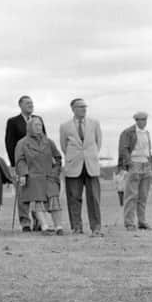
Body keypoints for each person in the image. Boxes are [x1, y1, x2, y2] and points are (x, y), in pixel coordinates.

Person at [59, 98, 103, 236]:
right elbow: (63, 146)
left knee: (94, 198)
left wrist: (90, 156)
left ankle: (96, 227)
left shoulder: (94, 123)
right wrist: (74, 156)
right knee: (74, 197)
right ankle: (76, 227)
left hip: (91, 165)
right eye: (80, 107)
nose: (84, 109)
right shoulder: (65, 126)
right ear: (73, 109)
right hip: (74, 166)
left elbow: (98, 142)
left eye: (85, 106)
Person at [5, 95, 46, 231]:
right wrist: (14, 164)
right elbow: (10, 144)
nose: (31, 105)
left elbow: (44, 140)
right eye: (27, 103)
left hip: (37, 164)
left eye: (32, 103)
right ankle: (25, 222)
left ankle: (38, 221)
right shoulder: (13, 122)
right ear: (20, 105)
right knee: (22, 194)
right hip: (20, 162)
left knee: (37, 193)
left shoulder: (38, 120)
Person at [15, 116, 62, 234]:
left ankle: (59, 227)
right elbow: (20, 160)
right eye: (35, 125)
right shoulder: (22, 143)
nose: (38, 127)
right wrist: (23, 174)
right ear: (29, 127)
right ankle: (45, 226)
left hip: (49, 177)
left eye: (40, 125)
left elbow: (58, 158)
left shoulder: (49, 142)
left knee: (54, 200)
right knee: (38, 201)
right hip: (33, 177)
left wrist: (55, 172)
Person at [118, 112, 152, 230]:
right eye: (140, 119)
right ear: (136, 120)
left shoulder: (147, 133)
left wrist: (149, 162)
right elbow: (124, 149)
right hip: (135, 163)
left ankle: (142, 221)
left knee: (143, 195)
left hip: (146, 164)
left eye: (145, 119)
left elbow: (148, 149)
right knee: (131, 195)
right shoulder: (128, 132)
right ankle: (129, 223)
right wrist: (129, 163)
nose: (143, 121)